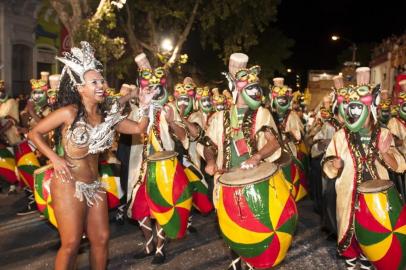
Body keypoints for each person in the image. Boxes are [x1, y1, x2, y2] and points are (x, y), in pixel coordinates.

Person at [28, 41, 154, 270]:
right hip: (68, 183)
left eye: (102, 81)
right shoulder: (68, 113)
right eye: (94, 82)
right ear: (80, 87)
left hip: (94, 185)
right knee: (71, 243)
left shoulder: (107, 117)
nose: (101, 85)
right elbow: (34, 133)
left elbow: (138, 129)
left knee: (102, 239)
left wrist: (145, 106)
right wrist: (54, 159)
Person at [202, 53, 281, 270]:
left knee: (254, 224)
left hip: (254, 182)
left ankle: (253, 263)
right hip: (226, 180)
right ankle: (236, 263)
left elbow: (274, 142)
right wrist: (210, 161)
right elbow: (209, 145)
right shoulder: (220, 117)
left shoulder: (262, 113)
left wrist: (256, 157)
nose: (255, 91)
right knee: (229, 225)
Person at [322, 67, 406, 270]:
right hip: (348, 193)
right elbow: (327, 163)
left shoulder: (383, 133)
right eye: (352, 108)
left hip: (377, 197)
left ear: (370, 108)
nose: (354, 112)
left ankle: (369, 264)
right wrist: (334, 164)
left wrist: (386, 152)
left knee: (375, 235)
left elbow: (400, 166)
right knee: (349, 234)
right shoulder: (340, 135)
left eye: (359, 107)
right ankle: (352, 264)